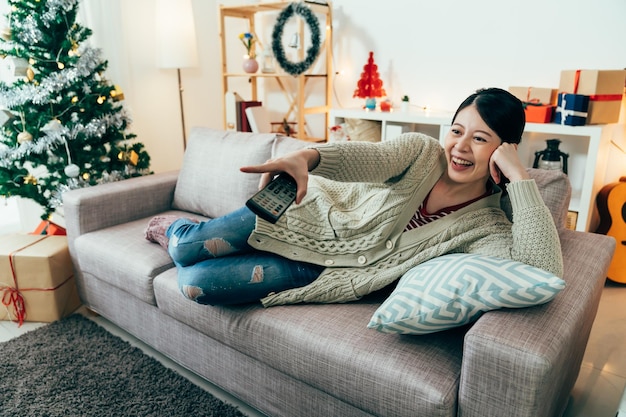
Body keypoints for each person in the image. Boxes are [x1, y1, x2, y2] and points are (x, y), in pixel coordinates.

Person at [145, 87, 563, 307]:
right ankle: (176, 231)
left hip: (320, 274)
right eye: (456, 131)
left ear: (503, 149)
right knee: (186, 248)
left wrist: (520, 179)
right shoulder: (420, 153)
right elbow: (366, 157)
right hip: (307, 215)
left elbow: (542, 271)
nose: (460, 147)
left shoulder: (488, 225)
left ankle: (191, 243)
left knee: (195, 284)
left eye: (480, 139)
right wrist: (308, 156)